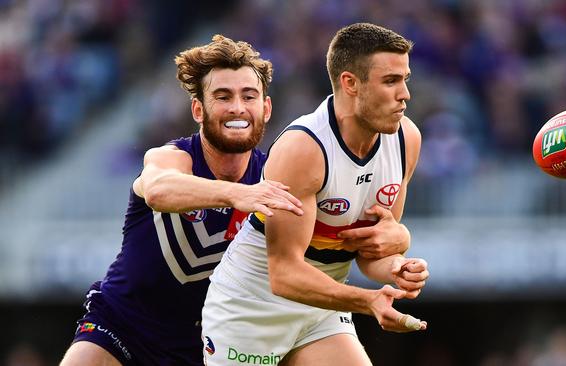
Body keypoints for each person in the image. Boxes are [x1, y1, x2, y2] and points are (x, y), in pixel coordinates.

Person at [59, 34, 410, 366]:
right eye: (223, 97)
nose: (238, 108)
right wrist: (240, 193)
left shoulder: (281, 171)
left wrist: (395, 240)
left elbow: (322, 244)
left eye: (249, 96)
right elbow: (158, 189)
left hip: (219, 337)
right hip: (125, 326)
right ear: (198, 110)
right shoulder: (174, 157)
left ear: (267, 108)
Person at [201, 23, 428, 366]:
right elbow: (285, 274)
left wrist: (398, 266)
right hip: (251, 309)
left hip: (322, 308)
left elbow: (371, 251)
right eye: (391, 81)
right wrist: (367, 301)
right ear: (350, 83)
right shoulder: (304, 149)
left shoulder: (405, 139)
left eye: (405, 79)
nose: (405, 94)